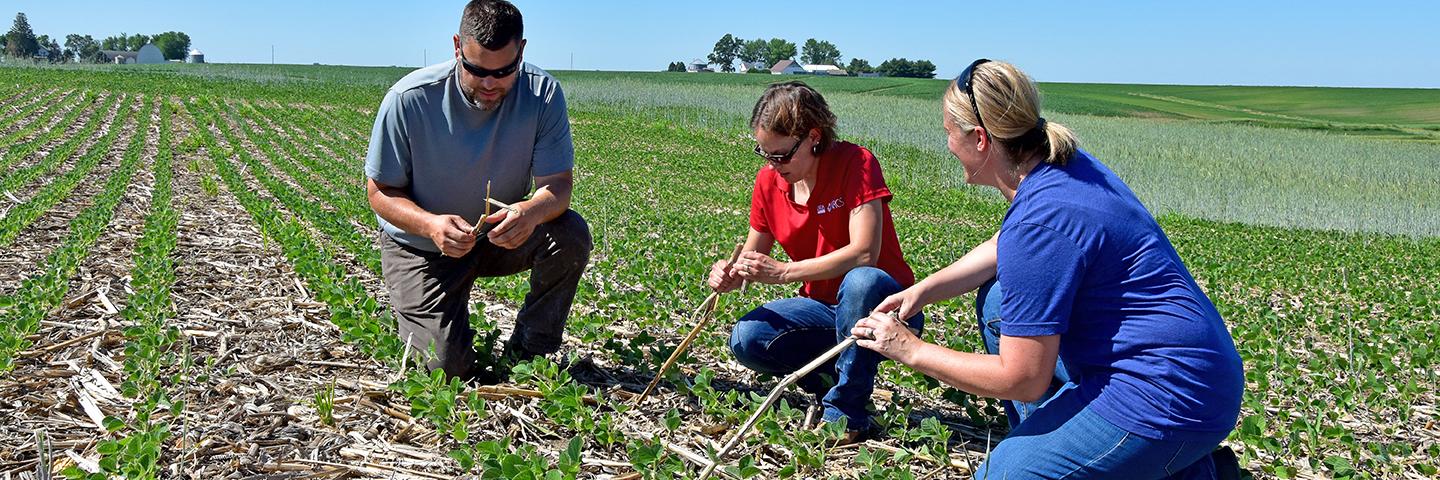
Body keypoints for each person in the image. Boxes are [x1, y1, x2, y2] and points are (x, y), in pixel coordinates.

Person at [852, 59, 1244, 479]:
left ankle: (1176, 467)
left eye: (949, 131)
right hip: (1196, 368)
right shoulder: (1064, 167)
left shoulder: (1040, 222)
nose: (947, 144)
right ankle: (1084, 452)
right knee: (1000, 302)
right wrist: (923, 290)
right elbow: (1003, 248)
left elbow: (1022, 379)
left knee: (1003, 476)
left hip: (1170, 393)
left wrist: (911, 349)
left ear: (980, 139)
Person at [364, 0, 591, 381]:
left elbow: (558, 186)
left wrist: (529, 213)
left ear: (521, 51)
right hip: (422, 247)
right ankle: (421, 315)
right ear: (457, 47)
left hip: (494, 238)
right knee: (444, 370)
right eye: (476, 69)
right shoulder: (408, 99)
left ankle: (529, 352)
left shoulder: (543, 95)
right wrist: (431, 225)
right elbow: (380, 191)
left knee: (569, 234)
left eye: (504, 71)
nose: (489, 83)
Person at [708, 81, 920, 443]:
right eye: (765, 154)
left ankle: (847, 414)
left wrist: (786, 272)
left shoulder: (856, 163)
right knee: (748, 338)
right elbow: (752, 255)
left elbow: (864, 252)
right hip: (823, 311)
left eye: (782, 155)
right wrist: (731, 274)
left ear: (814, 137)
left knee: (861, 281)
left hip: (886, 308)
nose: (774, 165)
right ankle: (829, 383)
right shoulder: (768, 183)